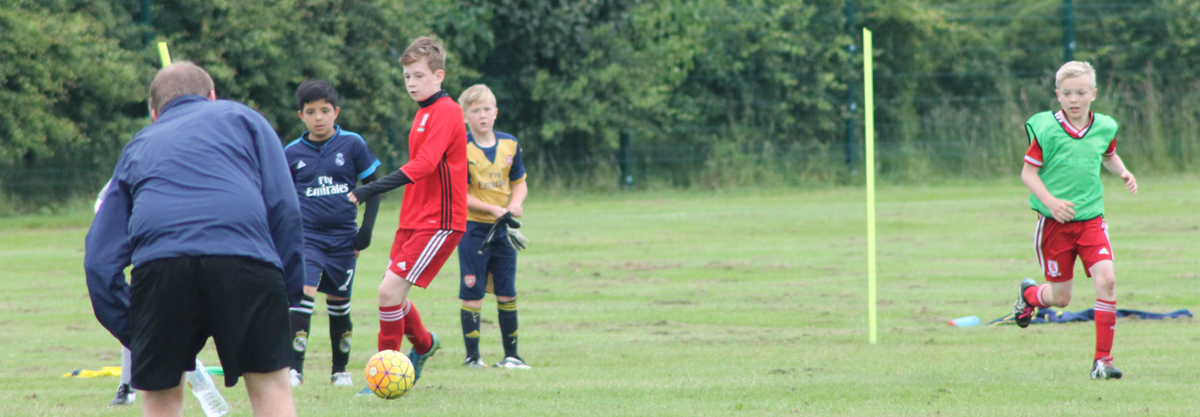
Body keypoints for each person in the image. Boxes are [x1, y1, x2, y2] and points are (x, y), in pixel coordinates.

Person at [85, 62, 304, 416]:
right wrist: (287, 292)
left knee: (161, 396)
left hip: (161, 268)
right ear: (212, 96)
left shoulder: (139, 144)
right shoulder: (245, 119)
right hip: (246, 261)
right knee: (270, 387)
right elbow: (285, 209)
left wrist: (133, 329)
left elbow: (98, 261)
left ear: (154, 113)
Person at [346, 36, 467, 391]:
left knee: (387, 293)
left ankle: (384, 378)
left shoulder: (446, 110)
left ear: (438, 76)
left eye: (418, 75)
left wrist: (368, 189)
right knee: (394, 295)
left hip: (439, 221)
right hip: (414, 219)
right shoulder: (422, 113)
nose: (411, 83)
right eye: (406, 77)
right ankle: (425, 345)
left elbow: (426, 165)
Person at [1010, 61, 1137, 380]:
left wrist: (1122, 170)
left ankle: (1102, 362)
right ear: (1058, 95)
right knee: (1061, 298)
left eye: (1081, 92)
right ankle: (1029, 295)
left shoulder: (1104, 127)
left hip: (1091, 220)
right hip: (1054, 226)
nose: (1074, 99)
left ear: (1093, 94)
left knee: (1107, 280)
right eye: (1067, 93)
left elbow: (1108, 156)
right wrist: (1050, 203)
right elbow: (1028, 173)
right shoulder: (1047, 129)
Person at [284, 80, 382, 387]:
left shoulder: (352, 144)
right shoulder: (291, 152)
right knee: (302, 297)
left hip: (343, 240)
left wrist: (364, 232)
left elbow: (374, 189)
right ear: (301, 115)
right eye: (311, 112)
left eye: (325, 111)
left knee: (339, 304)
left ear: (335, 112)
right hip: (306, 239)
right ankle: (294, 370)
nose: (318, 118)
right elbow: (281, 199)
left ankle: (340, 371)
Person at [454, 84, 531, 369]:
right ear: (465, 116)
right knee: (472, 292)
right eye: (475, 111)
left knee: (507, 291)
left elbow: (519, 183)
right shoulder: (461, 147)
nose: (482, 115)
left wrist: (516, 204)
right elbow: (459, 194)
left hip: (503, 231)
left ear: (496, 113)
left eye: (487, 109)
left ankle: (512, 355)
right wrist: (491, 209)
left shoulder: (510, 144)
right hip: (473, 230)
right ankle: (472, 356)